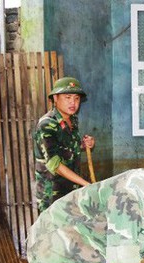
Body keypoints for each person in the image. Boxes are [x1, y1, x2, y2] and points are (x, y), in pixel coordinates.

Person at [34, 76, 95, 212]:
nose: (73, 102)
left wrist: (84, 145)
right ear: (55, 98)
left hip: (71, 191)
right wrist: (85, 184)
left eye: (76, 98)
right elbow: (55, 165)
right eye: (68, 97)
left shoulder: (72, 120)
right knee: (54, 233)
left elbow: (66, 148)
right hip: (53, 196)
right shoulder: (47, 124)